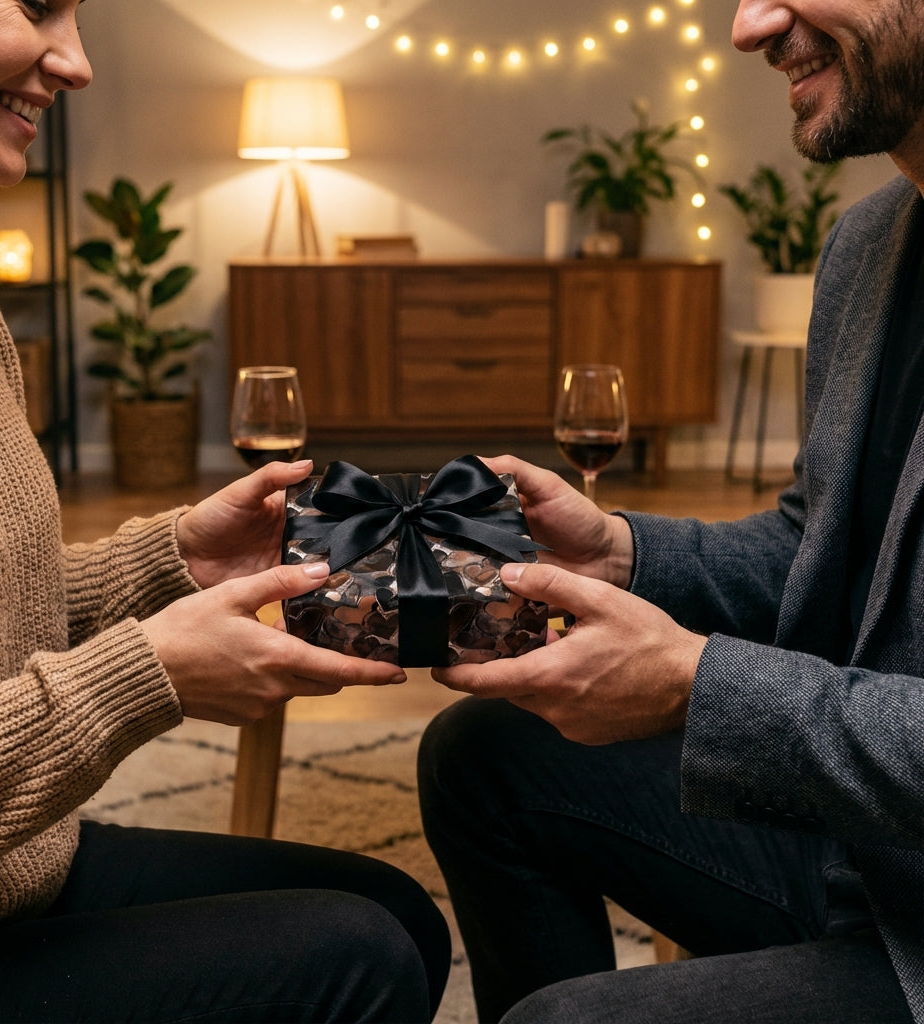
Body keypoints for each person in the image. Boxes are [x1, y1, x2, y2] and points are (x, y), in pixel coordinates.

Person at [0, 2, 450, 1021]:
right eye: (37, 3)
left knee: (399, 912)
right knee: (357, 958)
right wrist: (142, 676)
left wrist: (174, 561)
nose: (77, 62)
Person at [418, 1, 924, 1022]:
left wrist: (697, 687)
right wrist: (617, 553)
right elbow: (820, 550)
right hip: (866, 854)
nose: (749, 25)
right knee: (484, 756)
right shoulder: (872, 241)